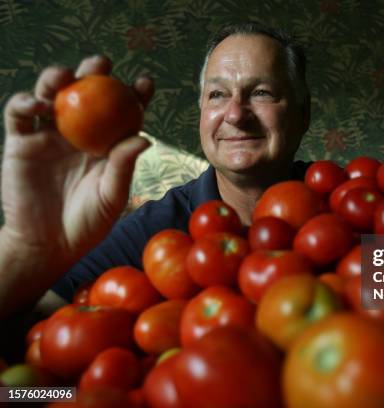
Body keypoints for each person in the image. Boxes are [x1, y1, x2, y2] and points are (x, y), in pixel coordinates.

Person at [0, 23, 311, 319]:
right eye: (217, 94)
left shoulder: (351, 203)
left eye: (261, 93)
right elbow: (28, 344)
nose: (235, 114)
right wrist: (26, 249)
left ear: (302, 114)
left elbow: (364, 302)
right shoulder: (154, 232)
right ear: (201, 113)